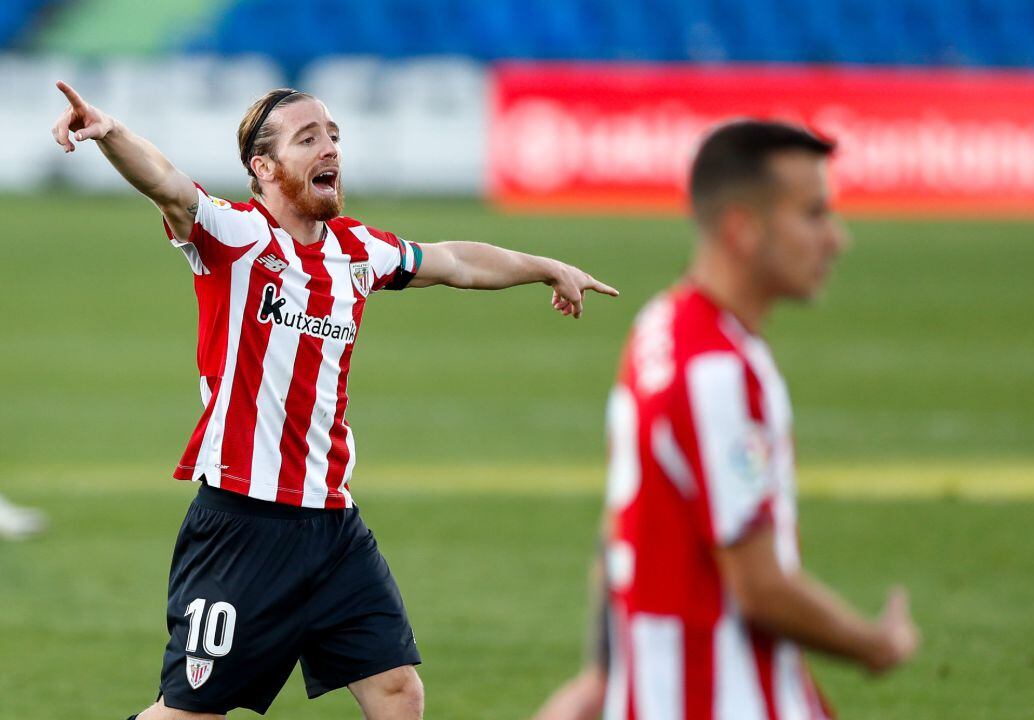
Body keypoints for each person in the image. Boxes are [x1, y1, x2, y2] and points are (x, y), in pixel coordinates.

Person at [50, 81, 618, 720]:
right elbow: (167, 184)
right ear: (263, 169)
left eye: (333, 136)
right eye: (308, 138)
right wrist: (109, 131)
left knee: (398, 690)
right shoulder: (235, 237)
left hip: (333, 527)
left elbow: (455, 260)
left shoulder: (358, 250)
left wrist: (544, 265)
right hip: (243, 525)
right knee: (189, 715)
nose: (330, 149)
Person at [534, 120, 919, 720]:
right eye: (814, 215)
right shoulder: (722, 372)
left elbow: (625, 532)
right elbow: (760, 587)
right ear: (743, 229)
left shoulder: (660, 326)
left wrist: (602, 676)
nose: (837, 239)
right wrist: (875, 645)